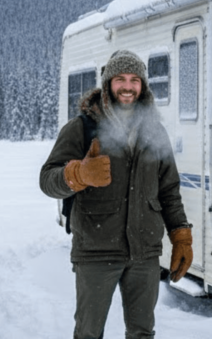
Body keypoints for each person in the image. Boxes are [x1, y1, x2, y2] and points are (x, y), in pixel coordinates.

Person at [40, 50, 192, 339]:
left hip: (144, 253)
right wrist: (78, 175)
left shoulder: (154, 131)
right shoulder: (81, 128)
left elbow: (169, 190)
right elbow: (47, 179)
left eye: (135, 80)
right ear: (108, 83)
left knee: (142, 333)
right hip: (96, 250)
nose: (128, 86)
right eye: (120, 78)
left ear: (142, 86)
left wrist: (181, 235)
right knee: (89, 333)